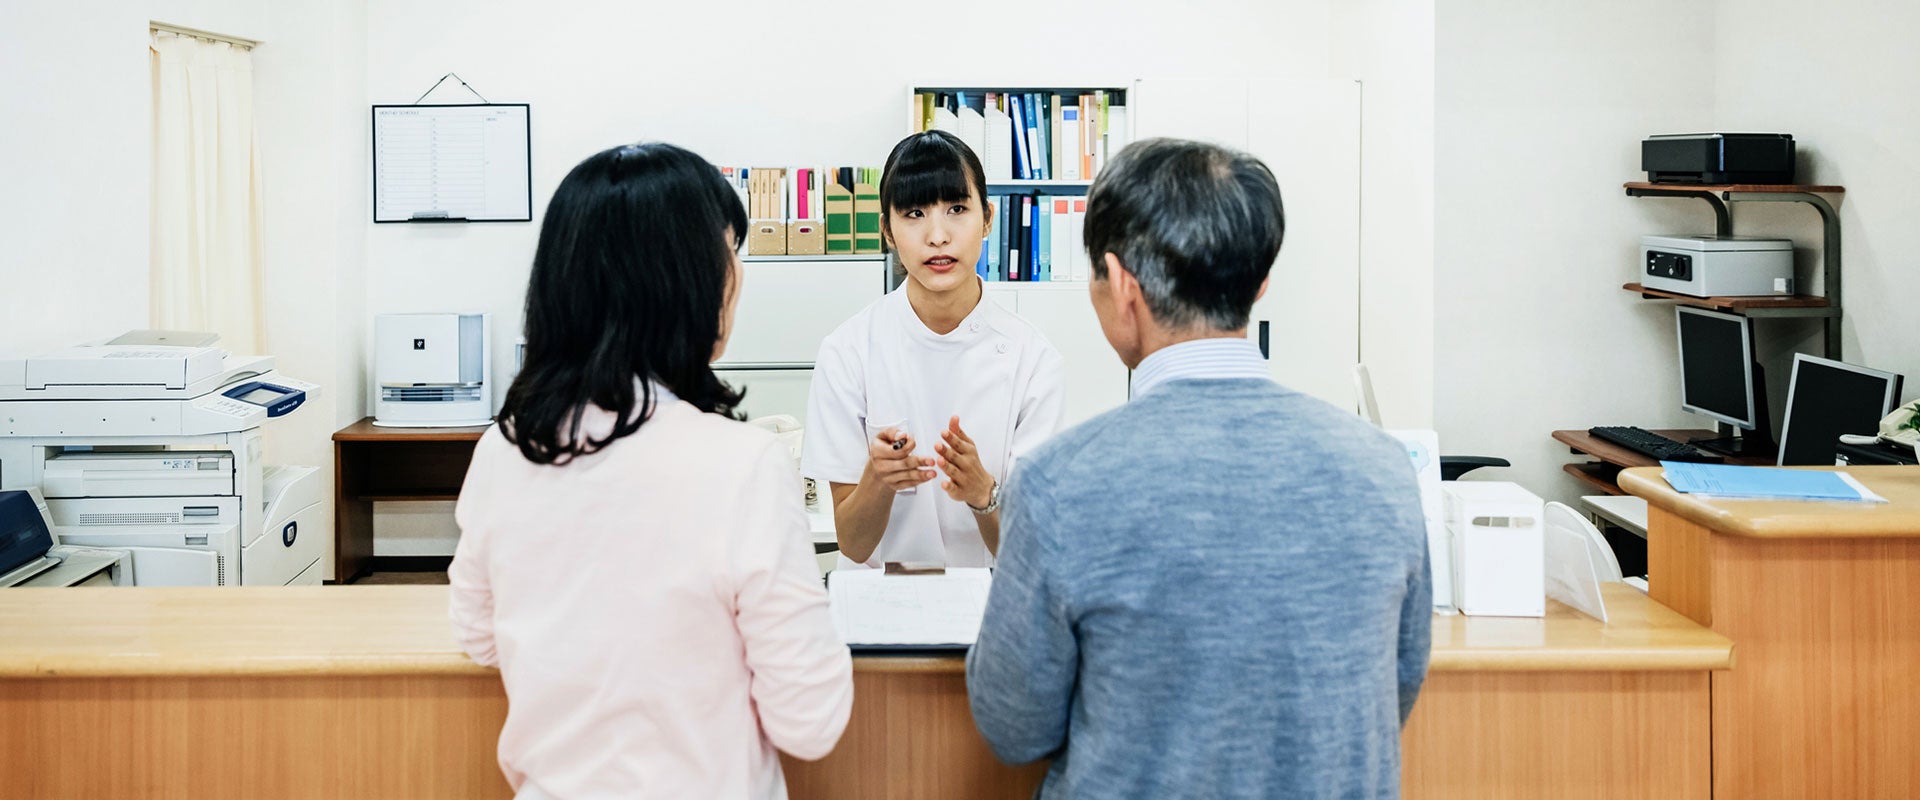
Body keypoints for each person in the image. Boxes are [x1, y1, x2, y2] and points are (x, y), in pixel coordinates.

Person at [966, 138, 1432, 799]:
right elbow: (1396, 688)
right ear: (1260, 281)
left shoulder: (1060, 484)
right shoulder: (1384, 470)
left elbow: (1013, 727)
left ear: (1120, 284)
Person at [448, 143, 853, 800]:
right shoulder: (741, 465)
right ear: (690, 284)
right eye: (731, 255)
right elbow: (809, 722)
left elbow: (477, 636)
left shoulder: (504, 450)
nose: (738, 277)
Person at [802, 130, 1063, 569]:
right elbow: (853, 544)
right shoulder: (847, 351)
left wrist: (983, 494)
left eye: (957, 209)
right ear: (886, 229)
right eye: (914, 213)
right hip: (881, 614)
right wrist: (879, 481)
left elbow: (1031, 554)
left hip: (990, 612)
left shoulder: (1033, 358)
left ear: (988, 219)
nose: (938, 236)